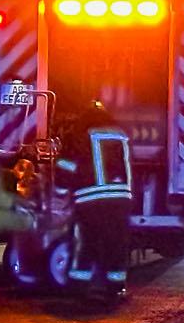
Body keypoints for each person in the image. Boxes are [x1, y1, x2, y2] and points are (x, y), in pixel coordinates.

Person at [55, 100, 133, 299]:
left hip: (90, 198)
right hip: (120, 198)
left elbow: (67, 165)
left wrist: (60, 188)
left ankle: (79, 286)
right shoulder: (120, 135)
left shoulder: (81, 135)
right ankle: (115, 286)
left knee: (88, 243)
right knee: (116, 243)